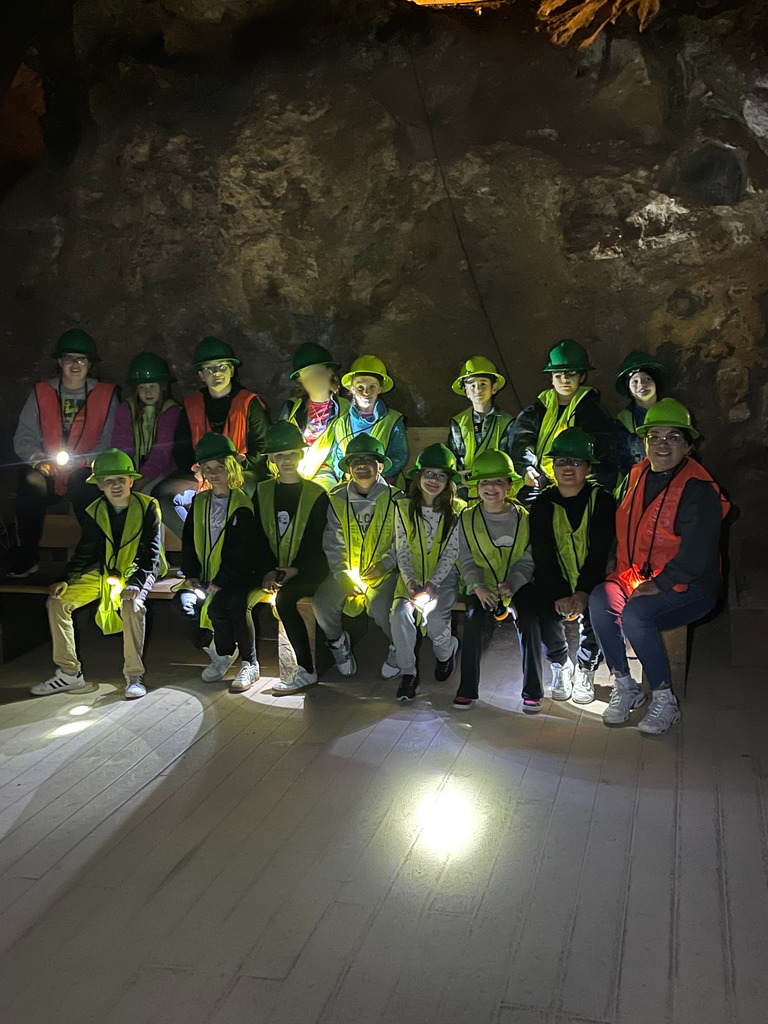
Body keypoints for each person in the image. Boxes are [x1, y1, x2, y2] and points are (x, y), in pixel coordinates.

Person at [589, 399, 730, 734]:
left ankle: (664, 700)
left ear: (688, 445)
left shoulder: (699, 489)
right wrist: (613, 555)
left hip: (692, 585)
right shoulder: (636, 476)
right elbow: (623, 522)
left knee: (637, 613)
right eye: (655, 437)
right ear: (644, 442)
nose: (662, 445)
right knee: (600, 599)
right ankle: (626, 686)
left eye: (673, 438)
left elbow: (699, 554)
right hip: (638, 572)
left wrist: (661, 583)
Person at [30, 449, 164, 701]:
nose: (115, 486)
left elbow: (151, 553)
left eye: (121, 479)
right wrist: (66, 579)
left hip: (139, 572)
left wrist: (135, 583)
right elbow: (86, 551)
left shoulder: (148, 507)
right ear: (99, 484)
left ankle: (134, 675)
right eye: (108, 481)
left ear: (131, 481)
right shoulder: (95, 511)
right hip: (107, 572)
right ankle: (69, 672)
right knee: (58, 601)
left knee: (132, 604)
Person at [9, 329, 119, 578]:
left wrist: (85, 461)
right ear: (59, 362)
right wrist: (37, 460)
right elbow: (25, 435)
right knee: (29, 481)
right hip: (49, 468)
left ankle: (94, 556)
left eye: (81, 359)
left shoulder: (105, 395)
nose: (75, 364)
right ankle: (26, 555)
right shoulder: (41, 393)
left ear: (90, 364)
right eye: (69, 358)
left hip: (86, 468)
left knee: (84, 486)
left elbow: (110, 439)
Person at [529, 427, 616, 705]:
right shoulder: (542, 503)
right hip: (554, 582)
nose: (568, 468)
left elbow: (600, 550)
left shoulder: (601, 501)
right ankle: (560, 663)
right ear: (552, 466)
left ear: (588, 467)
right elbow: (542, 553)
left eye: (576, 462)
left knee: (600, 611)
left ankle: (586, 667)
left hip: (594, 580)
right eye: (562, 462)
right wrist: (559, 593)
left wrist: (583, 592)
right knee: (540, 611)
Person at [453, 449, 543, 711]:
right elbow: (465, 557)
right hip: (481, 586)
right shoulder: (467, 518)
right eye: (484, 482)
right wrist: (478, 586)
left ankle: (533, 690)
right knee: (473, 621)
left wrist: (514, 582)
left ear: (510, 486)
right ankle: (466, 689)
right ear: (476, 487)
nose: (491, 488)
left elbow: (528, 557)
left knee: (529, 618)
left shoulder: (524, 519)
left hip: (517, 584)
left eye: (498, 482)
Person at [155, 337, 271, 536]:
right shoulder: (191, 405)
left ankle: (230, 542)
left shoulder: (249, 403)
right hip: (202, 474)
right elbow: (181, 450)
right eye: (209, 369)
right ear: (201, 375)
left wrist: (231, 470)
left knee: (243, 491)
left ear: (232, 371)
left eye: (222, 367)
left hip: (241, 473)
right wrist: (200, 470)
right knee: (162, 493)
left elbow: (262, 448)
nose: (216, 373)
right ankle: (195, 540)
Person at [313, 434, 404, 678]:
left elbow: (403, 542)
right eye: (356, 462)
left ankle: (398, 647)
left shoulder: (397, 499)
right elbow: (333, 542)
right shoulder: (336, 498)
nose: (362, 466)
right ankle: (337, 643)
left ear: (380, 466)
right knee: (322, 604)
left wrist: (385, 564)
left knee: (385, 607)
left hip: (384, 573)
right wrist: (342, 574)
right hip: (348, 570)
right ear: (349, 469)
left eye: (368, 460)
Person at [250, 421, 330, 694]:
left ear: (301, 455)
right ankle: (242, 661)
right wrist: (267, 570)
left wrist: (292, 570)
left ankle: (306, 670)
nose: (286, 460)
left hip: (310, 569)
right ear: (271, 458)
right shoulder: (261, 492)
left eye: (291, 454)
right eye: (280, 455)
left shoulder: (316, 494)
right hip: (273, 569)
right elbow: (257, 537)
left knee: (286, 599)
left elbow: (317, 543)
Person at [181, 433, 260, 691]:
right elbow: (189, 541)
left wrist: (220, 581)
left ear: (232, 468)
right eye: (208, 469)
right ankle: (223, 653)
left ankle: (249, 662)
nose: (214, 474)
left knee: (227, 607)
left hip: (236, 576)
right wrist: (192, 574)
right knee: (184, 607)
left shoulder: (242, 503)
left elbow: (243, 550)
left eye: (220, 468)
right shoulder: (200, 501)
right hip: (207, 575)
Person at [390, 444, 465, 702]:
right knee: (400, 614)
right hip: (411, 577)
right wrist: (411, 581)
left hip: (443, 578)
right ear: (419, 477)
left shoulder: (459, 510)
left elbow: (452, 551)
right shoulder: (402, 508)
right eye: (429, 474)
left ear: (449, 481)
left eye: (441, 475)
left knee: (434, 619)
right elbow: (402, 550)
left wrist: (432, 583)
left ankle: (446, 652)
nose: (434, 480)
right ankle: (408, 675)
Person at [509, 339, 616, 501]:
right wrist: (527, 468)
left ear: (582, 376)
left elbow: (603, 452)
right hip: (539, 483)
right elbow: (522, 441)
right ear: (551, 378)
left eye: (571, 373)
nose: (564, 379)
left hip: (580, 484)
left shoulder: (594, 414)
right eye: (558, 375)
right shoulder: (535, 412)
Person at [278, 341, 350, 490]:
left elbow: (347, 443)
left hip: (327, 469)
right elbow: (279, 441)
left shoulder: (344, 408)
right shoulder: (292, 408)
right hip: (293, 468)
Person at [326, 355, 408, 484]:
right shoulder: (340, 424)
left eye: (372, 387)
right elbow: (337, 456)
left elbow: (400, 456)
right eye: (360, 387)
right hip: (350, 486)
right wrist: (346, 473)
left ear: (380, 388)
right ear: (351, 388)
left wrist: (378, 474)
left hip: (385, 486)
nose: (366, 392)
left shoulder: (393, 420)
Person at [110, 353, 181, 493]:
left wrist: (142, 479)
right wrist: (125, 476)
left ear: (162, 387)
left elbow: (161, 453)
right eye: (142, 387)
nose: (148, 392)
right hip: (129, 472)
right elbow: (122, 446)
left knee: (147, 493)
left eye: (153, 386)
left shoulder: (171, 412)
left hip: (161, 472)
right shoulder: (126, 409)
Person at [447, 356, 513, 497]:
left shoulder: (507, 422)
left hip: (496, 492)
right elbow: (455, 456)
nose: (477, 389)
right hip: (464, 491)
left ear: (494, 387)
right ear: (466, 391)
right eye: (472, 385)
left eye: (483, 384)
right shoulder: (458, 422)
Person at [614, 349, 670, 485]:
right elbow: (620, 460)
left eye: (647, 379)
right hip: (636, 484)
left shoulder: (672, 412)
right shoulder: (624, 420)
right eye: (635, 381)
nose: (642, 385)